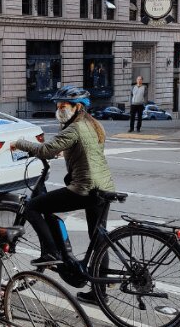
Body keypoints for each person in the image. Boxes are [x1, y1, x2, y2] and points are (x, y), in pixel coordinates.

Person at [10, 86, 115, 305]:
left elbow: (45, 150)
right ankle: (100, 293)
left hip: (85, 188)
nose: (59, 109)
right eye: (57, 106)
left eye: (64, 106)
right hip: (103, 188)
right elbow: (85, 152)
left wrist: (19, 142)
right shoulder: (93, 126)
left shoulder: (74, 128)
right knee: (99, 241)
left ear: (78, 107)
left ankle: (50, 252)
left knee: (33, 207)